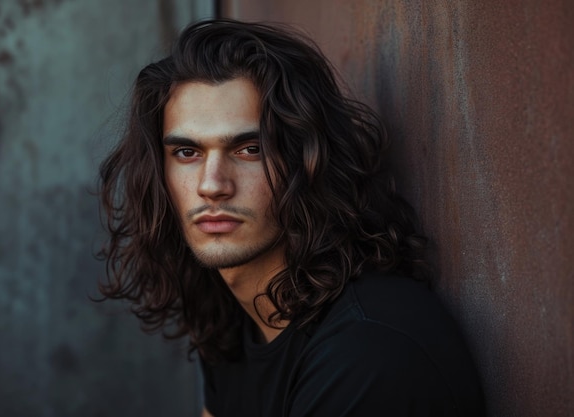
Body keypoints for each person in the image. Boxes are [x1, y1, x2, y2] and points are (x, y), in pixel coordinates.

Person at [97, 18, 485, 417]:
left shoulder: (368, 350)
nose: (212, 185)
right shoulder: (234, 322)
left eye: (250, 149)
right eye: (187, 153)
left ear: (308, 161)